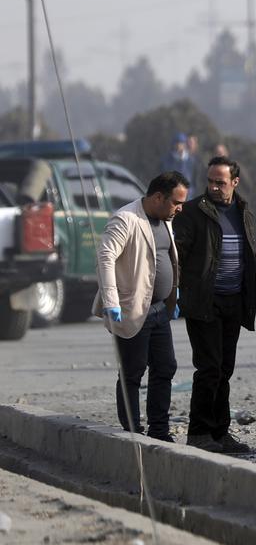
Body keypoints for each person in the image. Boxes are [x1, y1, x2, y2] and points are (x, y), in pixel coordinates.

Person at [174, 156, 256, 453]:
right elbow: (178, 254)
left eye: (221, 182)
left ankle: (221, 433)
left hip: (233, 301)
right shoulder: (192, 212)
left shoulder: (243, 213)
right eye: (211, 182)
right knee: (209, 368)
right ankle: (200, 433)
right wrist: (176, 293)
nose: (215, 187)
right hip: (204, 302)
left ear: (235, 183)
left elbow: (244, 257)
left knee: (225, 369)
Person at [94, 171, 190, 442]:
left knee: (166, 367)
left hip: (160, 309)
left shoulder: (165, 219)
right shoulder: (126, 219)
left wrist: (174, 291)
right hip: (131, 309)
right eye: (176, 202)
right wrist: (110, 301)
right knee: (133, 371)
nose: (180, 208)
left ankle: (159, 431)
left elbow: (166, 257)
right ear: (158, 197)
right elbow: (105, 256)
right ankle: (134, 433)